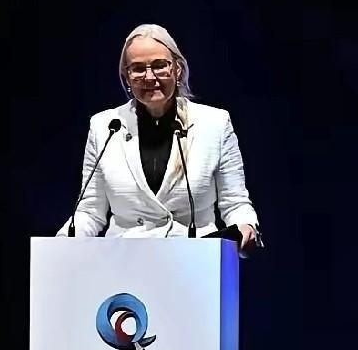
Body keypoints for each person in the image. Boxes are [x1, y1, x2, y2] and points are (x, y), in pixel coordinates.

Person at [57, 23, 260, 251]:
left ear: (177, 69)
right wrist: (61, 243)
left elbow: (235, 202)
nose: (149, 77)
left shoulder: (215, 123)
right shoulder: (104, 126)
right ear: (126, 76)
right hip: (123, 259)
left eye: (159, 66)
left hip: (195, 258)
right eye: (138, 69)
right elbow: (90, 210)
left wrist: (245, 226)